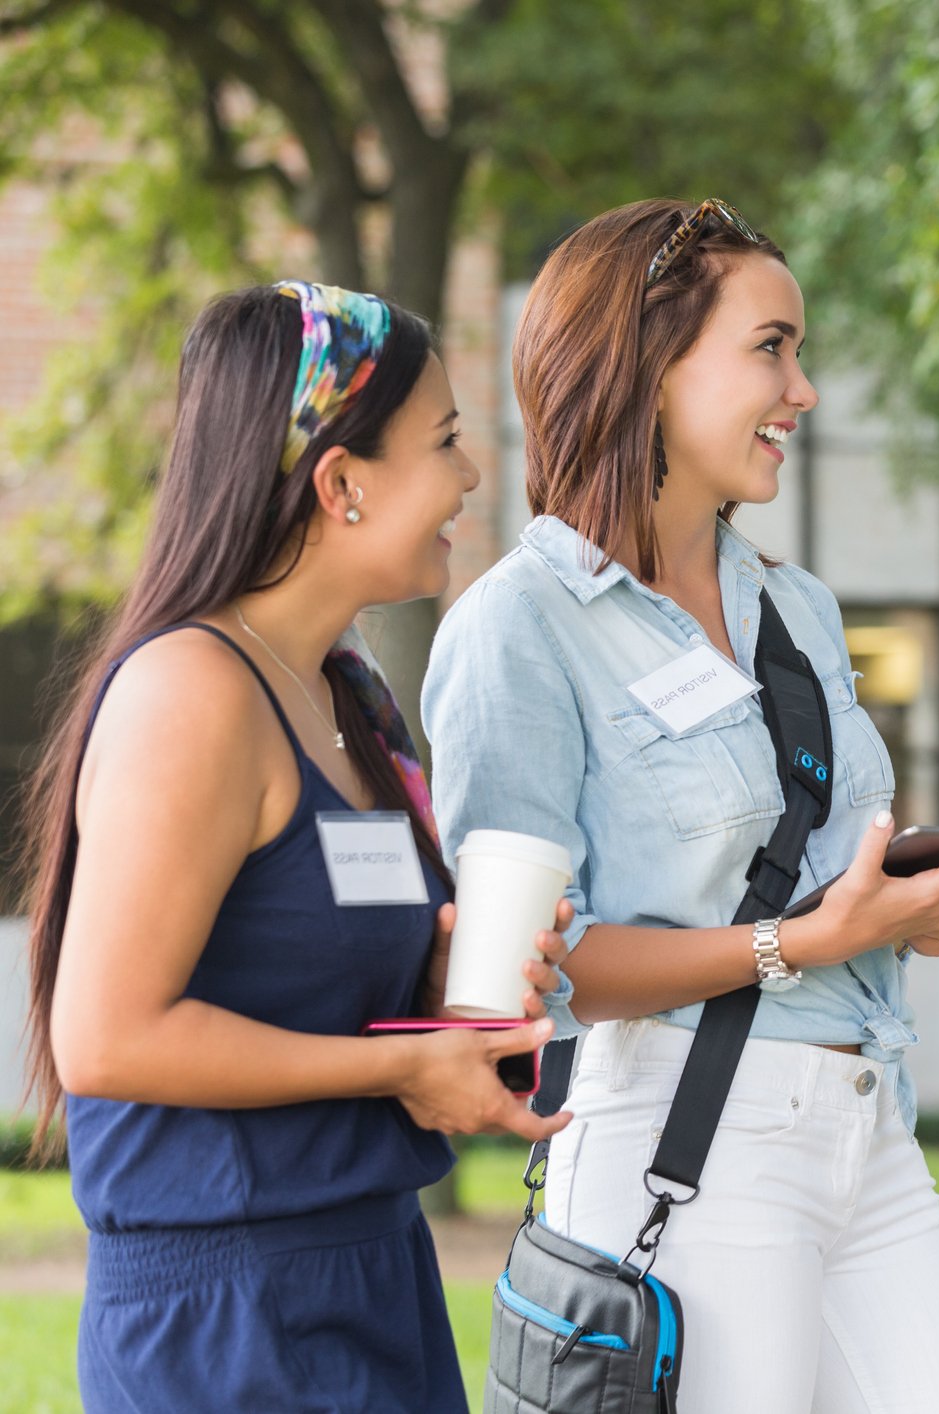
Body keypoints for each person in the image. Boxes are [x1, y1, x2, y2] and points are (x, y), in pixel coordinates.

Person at [424, 197, 939, 1414]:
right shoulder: (518, 625)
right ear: (649, 367)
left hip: (867, 1125)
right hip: (684, 1142)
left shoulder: (795, 606)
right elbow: (527, 974)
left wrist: (900, 911)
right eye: (772, 347)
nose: (803, 390)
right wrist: (806, 941)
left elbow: (811, 866)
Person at [20, 282, 574, 1411]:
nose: (473, 478)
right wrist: (399, 1068)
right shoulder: (191, 694)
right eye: (447, 443)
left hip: (370, 1279)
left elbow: (295, 969)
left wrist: (445, 989)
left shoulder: (346, 695)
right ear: (342, 482)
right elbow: (107, 1037)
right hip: (225, 1323)